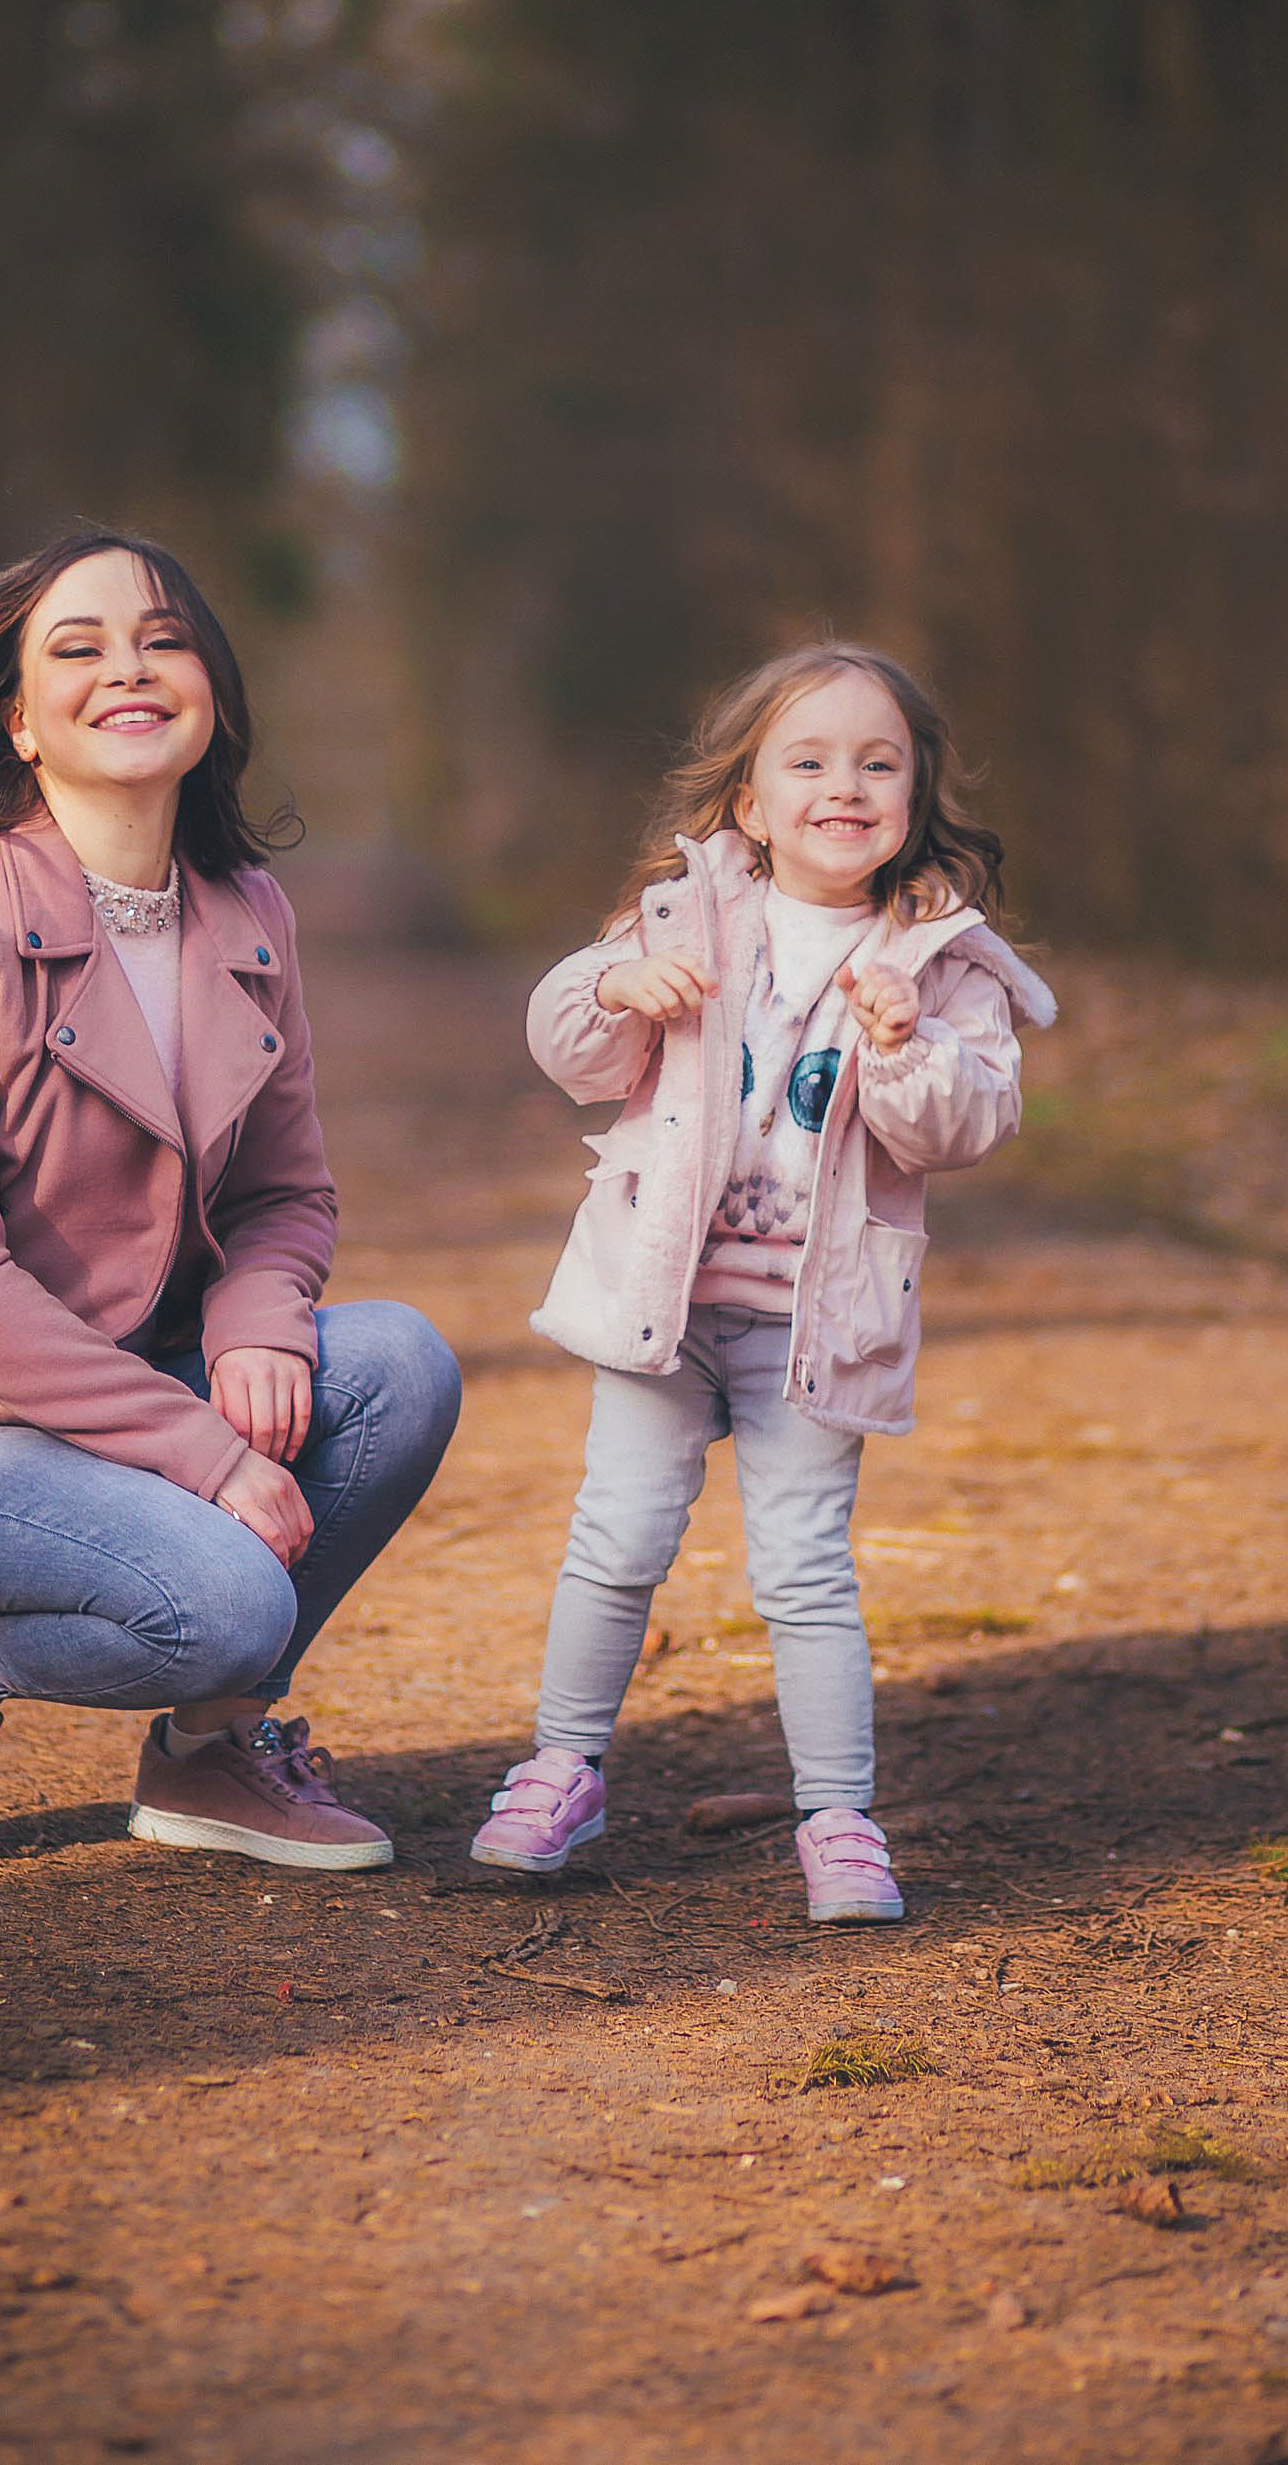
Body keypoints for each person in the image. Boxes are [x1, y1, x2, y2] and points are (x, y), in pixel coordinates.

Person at [0, 526, 460, 1872]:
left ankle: (208, 1751)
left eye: (162, 638)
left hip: (103, 1398)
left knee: (398, 1365)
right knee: (224, 1590)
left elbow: (285, 1189)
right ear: (21, 721)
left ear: (209, 691)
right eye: (77, 649)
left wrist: (260, 1313)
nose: (127, 668)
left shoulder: (247, 910)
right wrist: (203, 1450)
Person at [467, 645, 1054, 1921]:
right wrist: (613, 986)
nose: (843, 784)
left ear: (914, 792)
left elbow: (967, 1123)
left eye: (875, 761)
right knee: (615, 1538)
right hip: (657, 1304)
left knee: (802, 1569)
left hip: (814, 1320)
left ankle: (837, 1816)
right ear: (747, 801)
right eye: (808, 759)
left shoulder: (942, 960)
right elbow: (568, 1044)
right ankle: (559, 1766)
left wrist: (902, 1045)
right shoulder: (683, 912)